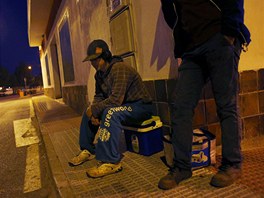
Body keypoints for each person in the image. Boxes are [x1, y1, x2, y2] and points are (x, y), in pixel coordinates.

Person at [159, 0, 250, 190]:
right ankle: (182, 167)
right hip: (191, 48)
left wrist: (229, 32)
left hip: (220, 37)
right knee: (180, 107)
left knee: (226, 106)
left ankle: (232, 164)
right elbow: (170, 11)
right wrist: (182, 45)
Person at [68, 39, 153, 178]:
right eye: (91, 60)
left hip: (140, 106)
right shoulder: (99, 75)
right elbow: (99, 96)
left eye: (95, 59)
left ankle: (111, 162)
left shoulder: (119, 68)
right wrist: (93, 113)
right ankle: (87, 150)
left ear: (105, 56)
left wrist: (95, 110)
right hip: (122, 107)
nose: (93, 63)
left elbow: (115, 101)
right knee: (88, 111)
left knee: (110, 112)